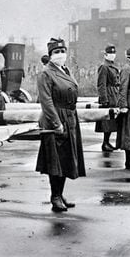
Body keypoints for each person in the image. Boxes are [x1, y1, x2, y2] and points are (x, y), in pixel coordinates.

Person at [36, 38, 85, 212]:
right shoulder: (46, 73)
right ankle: (54, 196)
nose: (61, 55)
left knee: (65, 159)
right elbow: (46, 101)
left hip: (69, 117)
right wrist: (57, 123)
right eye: (56, 52)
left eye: (63, 51)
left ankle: (60, 193)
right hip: (55, 118)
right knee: (55, 161)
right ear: (50, 55)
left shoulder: (65, 70)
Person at [95, 44, 120, 151]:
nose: (112, 55)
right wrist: (104, 99)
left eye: (113, 53)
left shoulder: (112, 66)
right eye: (110, 53)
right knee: (107, 122)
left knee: (111, 121)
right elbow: (101, 84)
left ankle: (107, 142)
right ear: (105, 55)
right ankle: (105, 143)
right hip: (109, 95)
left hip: (114, 94)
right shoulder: (104, 67)